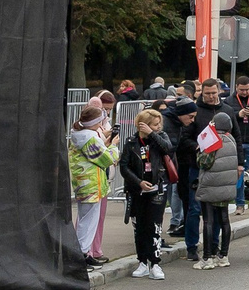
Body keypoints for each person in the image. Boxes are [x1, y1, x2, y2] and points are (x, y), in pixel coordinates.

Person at [117, 107, 174, 280]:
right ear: (143, 125)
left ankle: (155, 263)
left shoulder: (160, 137)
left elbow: (168, 149)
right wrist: (138, 182)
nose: (158, 127)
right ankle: (142, 261)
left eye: (159, 124)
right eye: (154, 124)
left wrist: (152, 134)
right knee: (139, 227)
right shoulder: (131, 142)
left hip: (157, 188)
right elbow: (124, 166)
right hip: (137, 190)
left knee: (154, 226)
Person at [192, 88, 236, 269]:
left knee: (208, 221)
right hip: (226, 186)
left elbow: (205, 162)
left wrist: (199, 153)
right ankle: (223, 255)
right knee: (225, 220)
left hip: (210, 185)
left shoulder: (212, 140)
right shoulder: (231, 140)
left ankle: (207, 257)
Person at [69, 103, 114, 268]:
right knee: (88, 222)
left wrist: (105, 144)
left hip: (84, 183)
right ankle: (81, 255)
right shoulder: (90, 137)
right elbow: (106, 159)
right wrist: (113, 145)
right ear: (96, 122)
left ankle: (84, 253)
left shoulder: (79, 135)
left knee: (85, 220)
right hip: (92, 184)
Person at [163, 96, 202, 262]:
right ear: (181, 114)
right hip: (164, 170)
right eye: (190, 117)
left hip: (172, 168)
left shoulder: (178, 124)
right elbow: (168, 147)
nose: (192, 120)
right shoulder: (167, 123)